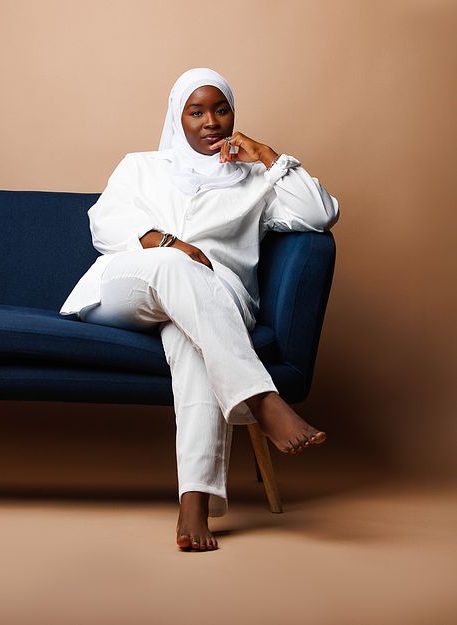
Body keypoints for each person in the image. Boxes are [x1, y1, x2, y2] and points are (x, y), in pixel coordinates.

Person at [59, 67, 340, 552]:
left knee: (193, 345)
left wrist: (268, 156)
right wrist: (169, 244)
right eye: (196, 111)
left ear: (233, 114)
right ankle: (262, 400)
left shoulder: (256, 180)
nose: (211, 121)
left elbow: (321, 214)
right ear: (178, 116)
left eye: (221, 109)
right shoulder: (141, 166)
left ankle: (194, 503)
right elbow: (105, 223)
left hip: (213, 304)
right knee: (175, 265)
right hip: (129, 289)